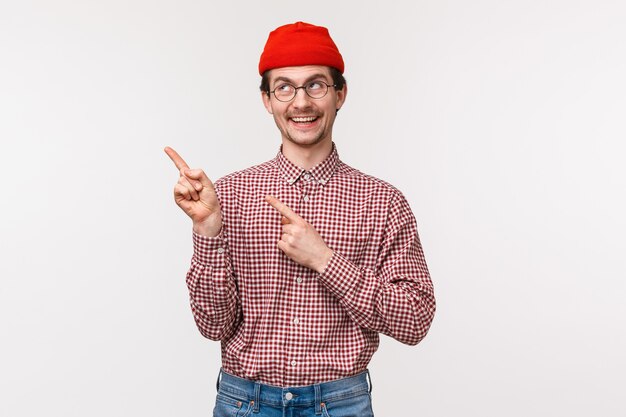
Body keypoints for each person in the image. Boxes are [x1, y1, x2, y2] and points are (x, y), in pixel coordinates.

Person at [165, 21, 435, 417]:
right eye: (284, 88)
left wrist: (325, 260)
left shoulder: (383, 202)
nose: (301, 102)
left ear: (339, 94)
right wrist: (207, 230)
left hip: (341, 404)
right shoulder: (230, 195)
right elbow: (213, 326)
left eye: (316, 85)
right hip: (245, 403)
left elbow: (415, 319)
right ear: (267, 100)